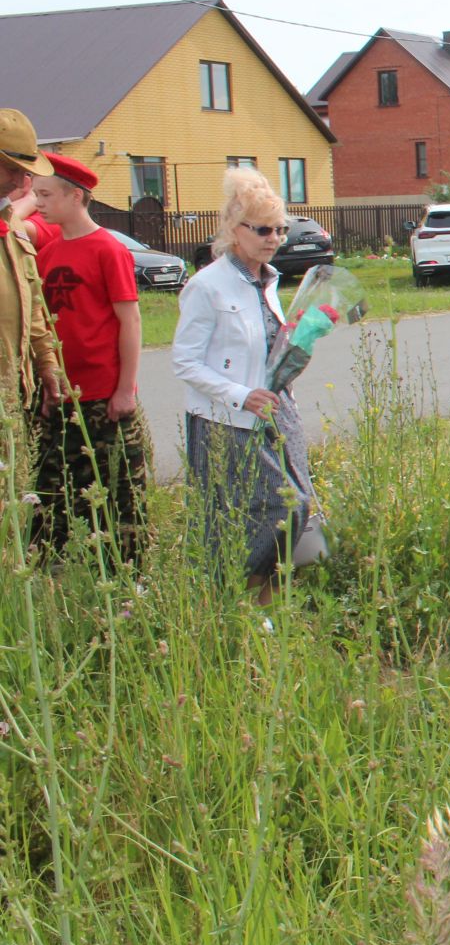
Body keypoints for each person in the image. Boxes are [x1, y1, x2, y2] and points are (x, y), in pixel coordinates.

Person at [172, 167, 324, 597]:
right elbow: (184, 362)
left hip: (277, 413)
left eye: (279, 229)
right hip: (228, 422)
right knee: (271, 511)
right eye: (262, 229)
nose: (273, 238)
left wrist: (295, 357)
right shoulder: (207, 287)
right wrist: (241, 396)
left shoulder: (269, 281)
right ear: (234, 230)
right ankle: (237, 599)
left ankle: (266, 601)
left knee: (300, 508)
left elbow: (262, 349)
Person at [30, 153, 150, 561]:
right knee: (54, 494)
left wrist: (124, 389)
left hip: (103, 398)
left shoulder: (108, 249)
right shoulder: (46, 255)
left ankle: (129, 580)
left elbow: (129, 321)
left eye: (46, 194)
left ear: (76, 196)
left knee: (120, 494)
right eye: (34, 194)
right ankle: (56, 574)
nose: (39, 203)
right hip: (61, 397)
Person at [0, 108, 64, 418]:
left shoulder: (12, 225)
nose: (18, 180)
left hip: (14, 396)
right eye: (9, 168)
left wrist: (47, 362)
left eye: (23, 170)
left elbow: (32, 303)